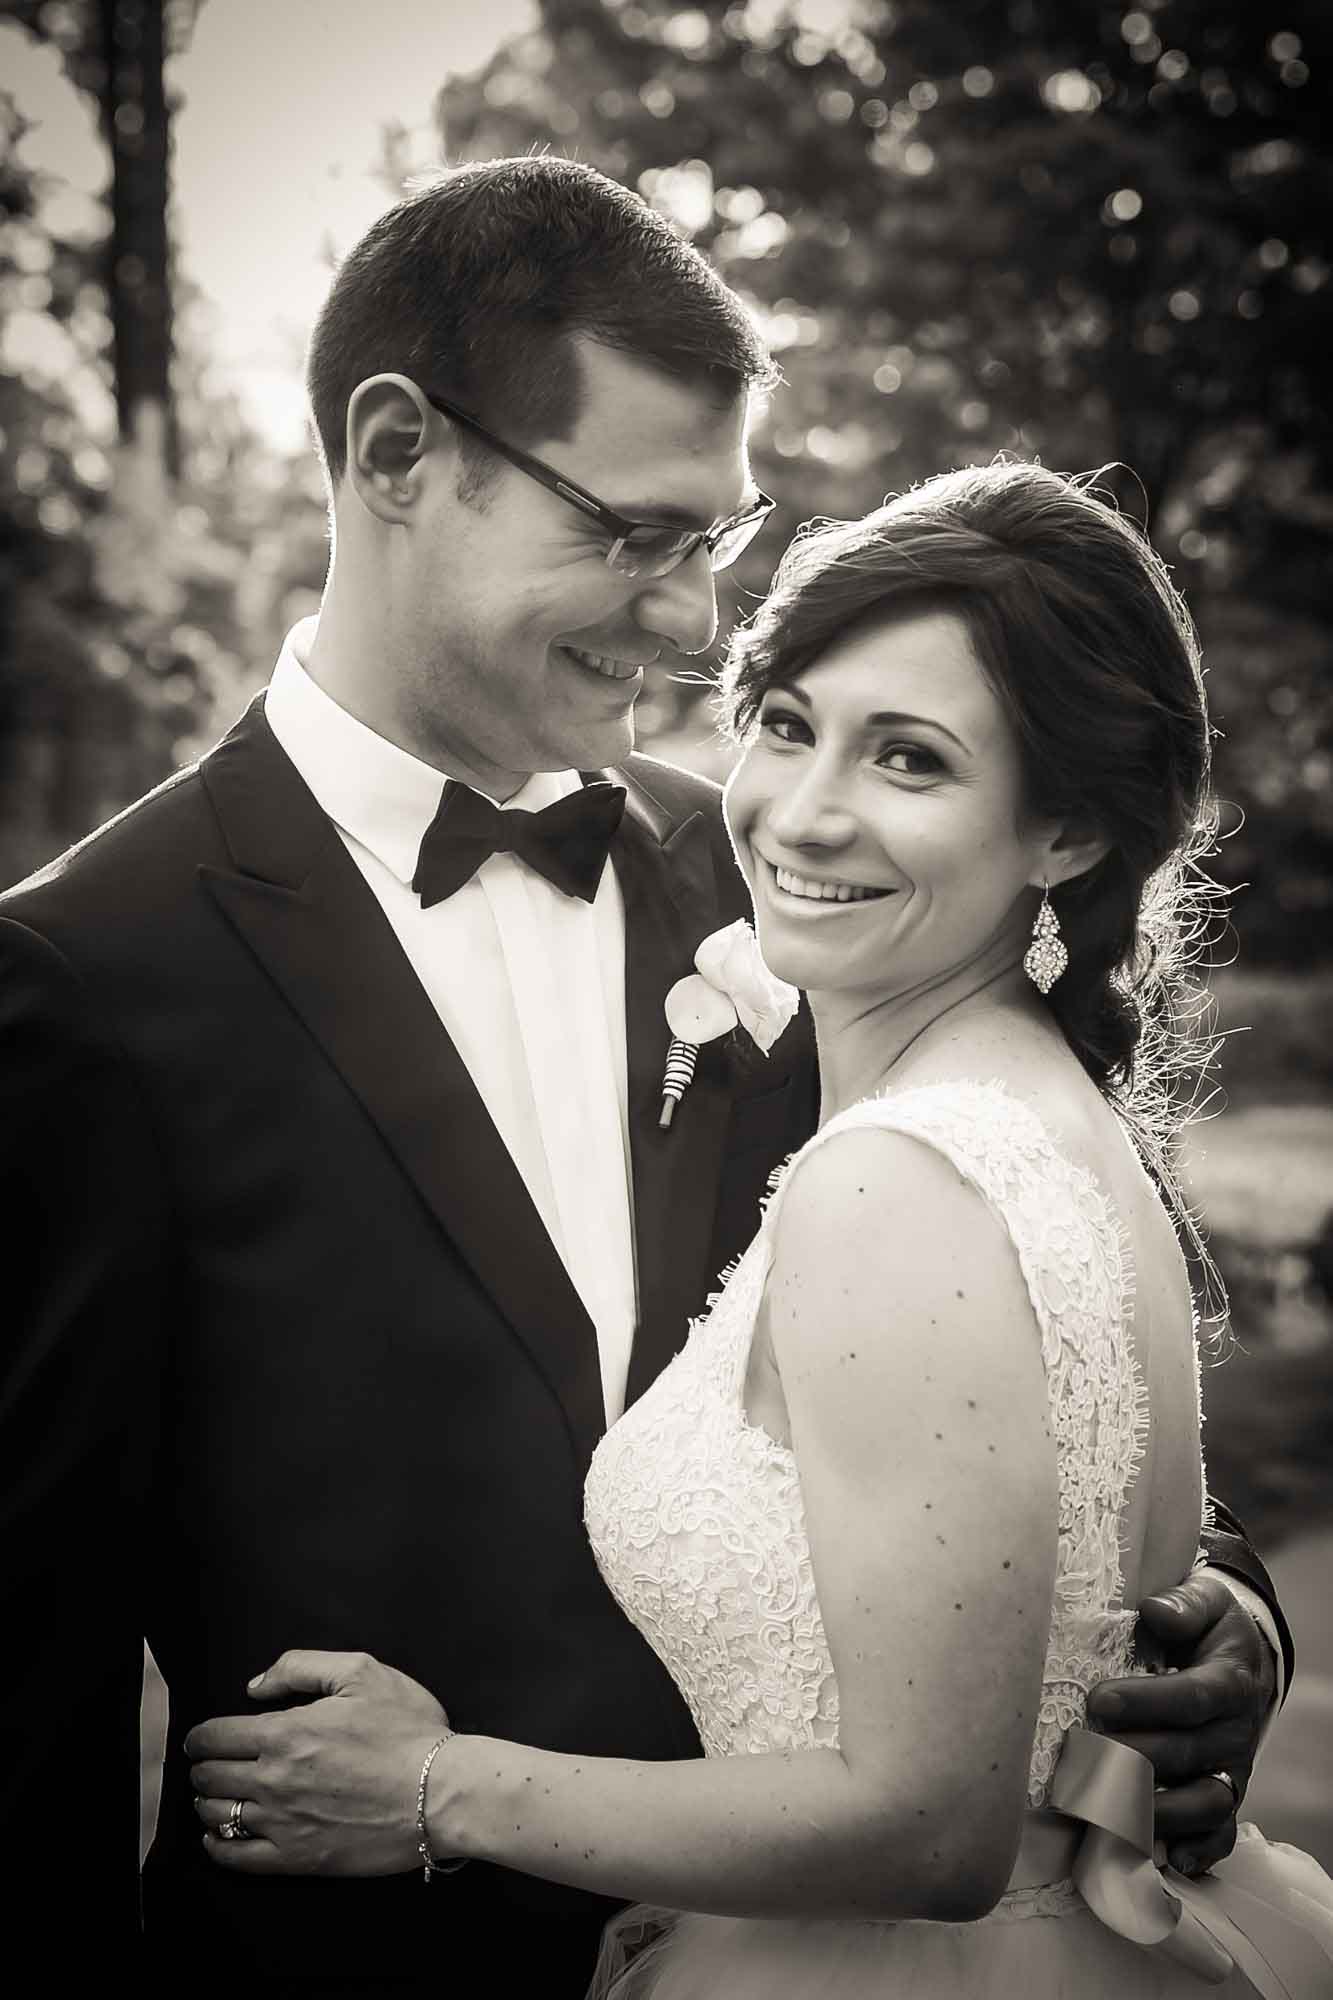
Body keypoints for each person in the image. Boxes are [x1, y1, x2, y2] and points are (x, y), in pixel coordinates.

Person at [0, 158, 1283, 1992]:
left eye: (720, 542)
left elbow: (1042, 1314)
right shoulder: (89, 977)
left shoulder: (800, 886)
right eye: (637, 535)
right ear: (394, 454)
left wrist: (1214, 1608)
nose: (696, 623)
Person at [185, 462, 1333, 1995]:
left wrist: (434, 1783)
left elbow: (933, 1816)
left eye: (909, 758)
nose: (801, 812)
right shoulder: (1032, 1095)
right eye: (784, 724)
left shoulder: (903, 1161)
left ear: (1061, 831)